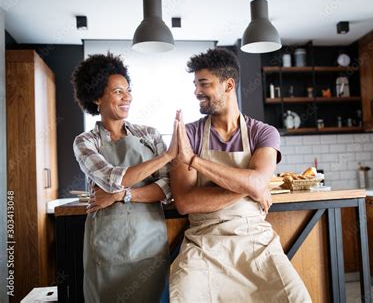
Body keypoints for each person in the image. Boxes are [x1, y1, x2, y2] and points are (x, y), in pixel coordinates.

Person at [170, 48, 311, 302]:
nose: (196, 92)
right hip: (204, 242)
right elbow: (185, 202)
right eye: (195, 84)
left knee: (296, 297)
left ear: (228, 85)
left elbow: (257, 181)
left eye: (204, 84)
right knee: (185, 293)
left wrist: (193, 160)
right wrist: (249, 188)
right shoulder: (188, 133)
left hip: (256, 241)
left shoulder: (264, 133)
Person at [72, 52, 177, 302]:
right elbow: (111, 178)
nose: (127, 96)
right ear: (97, 96)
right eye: (118, 91)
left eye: (128, 90)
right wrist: (165, 157)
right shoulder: (86, 142)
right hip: (108, 246)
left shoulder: (149, 135)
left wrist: (122, 195)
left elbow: (168, 187)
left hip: (149, 243)